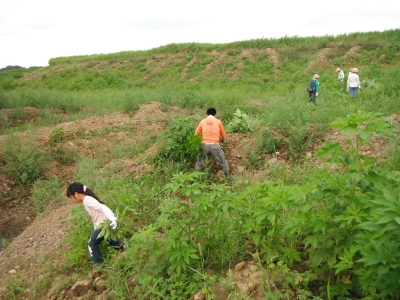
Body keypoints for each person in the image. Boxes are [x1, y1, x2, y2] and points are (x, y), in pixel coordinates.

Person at [66, 182, 124, 265]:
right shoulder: (87, 200)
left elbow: (102, 207)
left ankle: (100, 267)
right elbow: (96, 215)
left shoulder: (87, 200)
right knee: (110, 239)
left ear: (76, 194)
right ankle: (124, 248)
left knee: (91, 244)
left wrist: (111, 217)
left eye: (71, 197)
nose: (72, 200)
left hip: (103, 224)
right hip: (102, 225)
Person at [194, 108, 234, 181]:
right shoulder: (218, 122)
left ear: (206, 114)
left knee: (200, 161)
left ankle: (196, 178)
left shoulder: (202, 121)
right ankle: (229, 177)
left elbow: (196, 134)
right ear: (215, 115)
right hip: (215, 145)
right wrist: (223, 140)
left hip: (204, 145)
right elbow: (223, 135)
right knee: (222, 161)